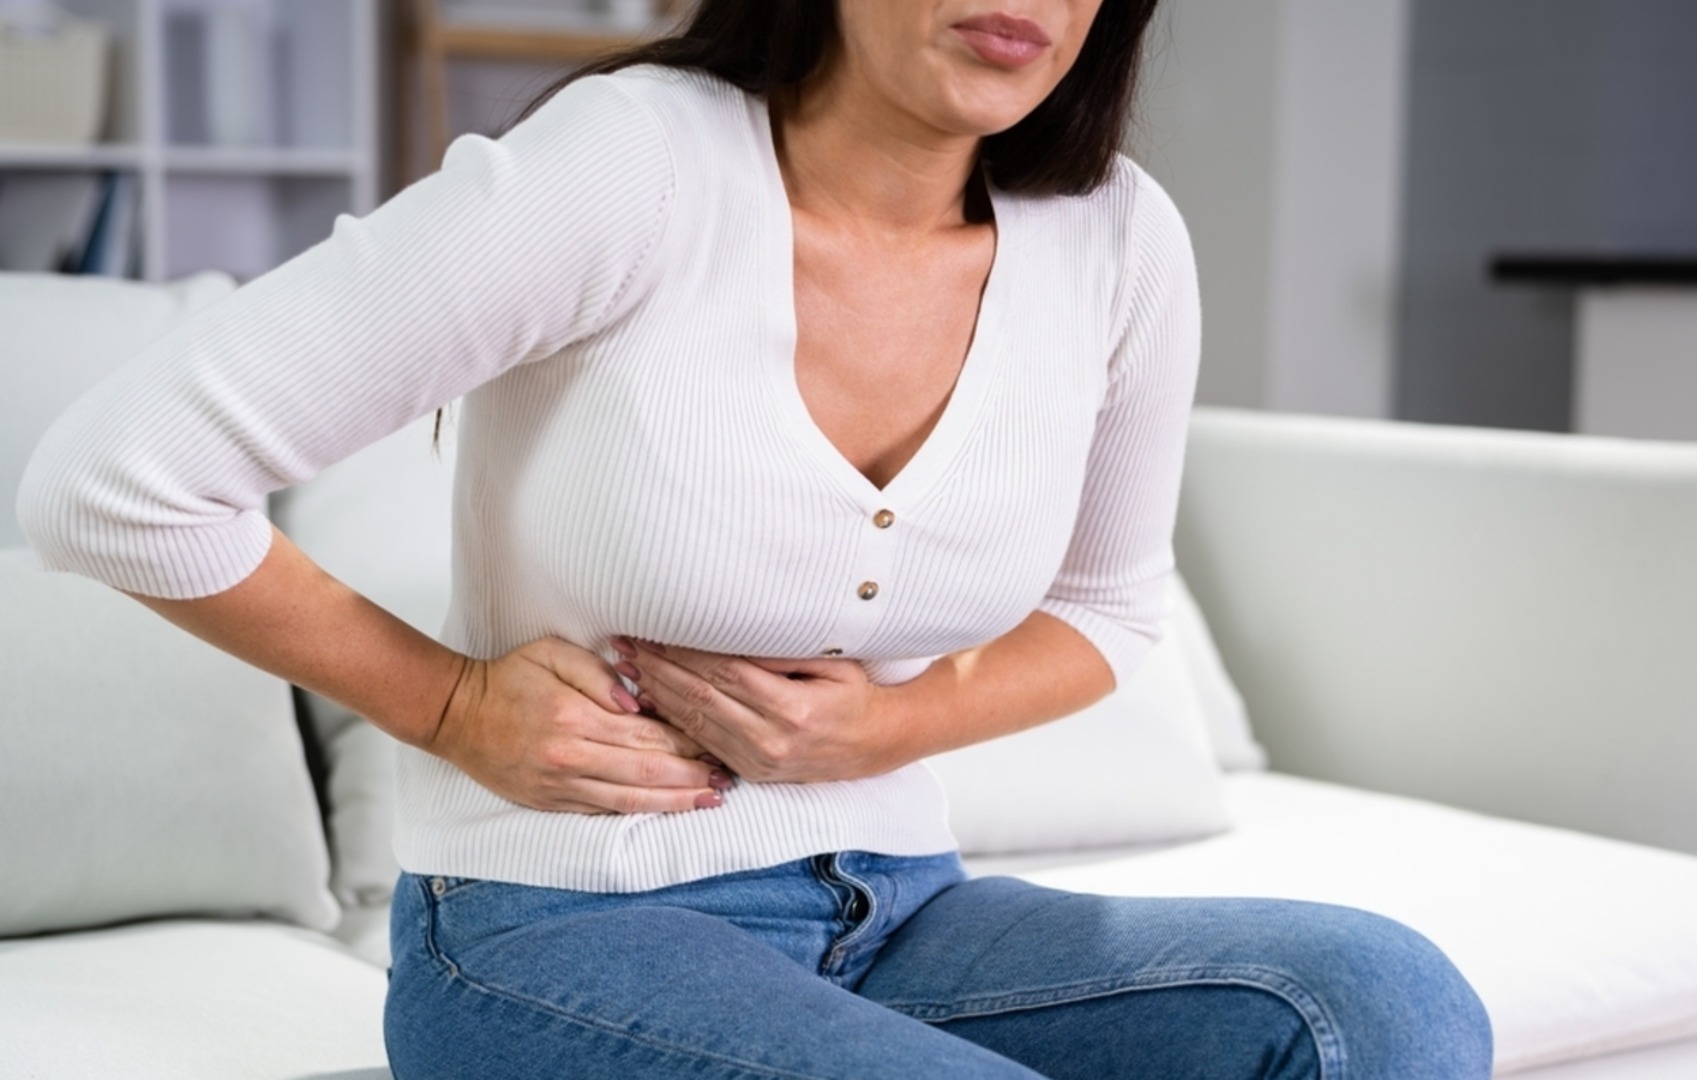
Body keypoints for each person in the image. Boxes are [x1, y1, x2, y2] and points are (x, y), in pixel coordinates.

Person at [18, 1, 1494, 1076]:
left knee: (1381, 1001)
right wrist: (452, 705)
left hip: (904, 912)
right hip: (555, 931)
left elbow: (1107, 609)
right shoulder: (634, 166)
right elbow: (116, 477)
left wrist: (889, 727)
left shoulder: (1117, 234)